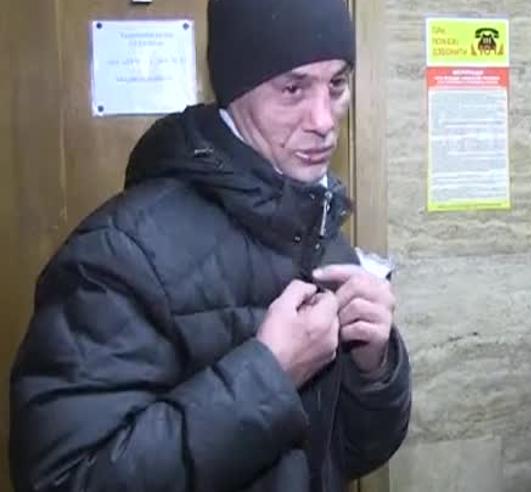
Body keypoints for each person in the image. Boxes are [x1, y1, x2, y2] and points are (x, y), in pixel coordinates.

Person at [9, 0, 411, 490]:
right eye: (293, 88)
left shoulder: (323, 236)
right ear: (236, 90)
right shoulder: (117, 255)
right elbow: (64, 480)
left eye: (337, 85)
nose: (324, 120)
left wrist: (374, 368)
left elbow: (348, 455)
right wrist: (270, 375)